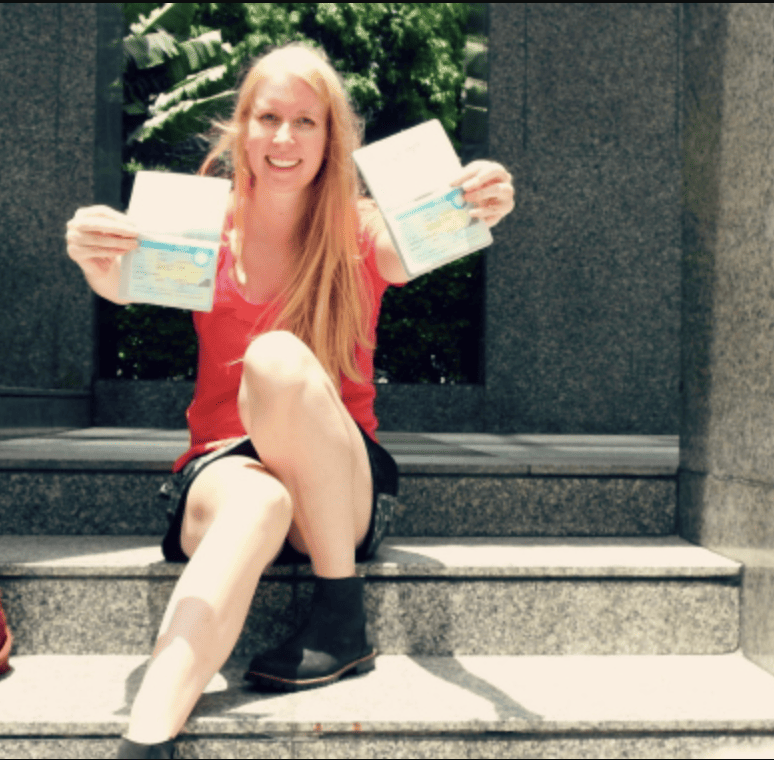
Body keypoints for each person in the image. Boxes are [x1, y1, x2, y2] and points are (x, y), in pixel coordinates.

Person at [64, 43, 515, 760]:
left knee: (274, 359)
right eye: (267, 117)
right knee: (260, 503)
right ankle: (145, 738)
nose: (283, 138)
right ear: (242, 128)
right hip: (225, 468)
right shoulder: (201, 227)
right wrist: (94, 255)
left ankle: (340, 619)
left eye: (306, 121)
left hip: (338, 482)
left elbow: (429, 243)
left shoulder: (363, 230)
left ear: (331, 136)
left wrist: (485, 201)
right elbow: (121, 283)